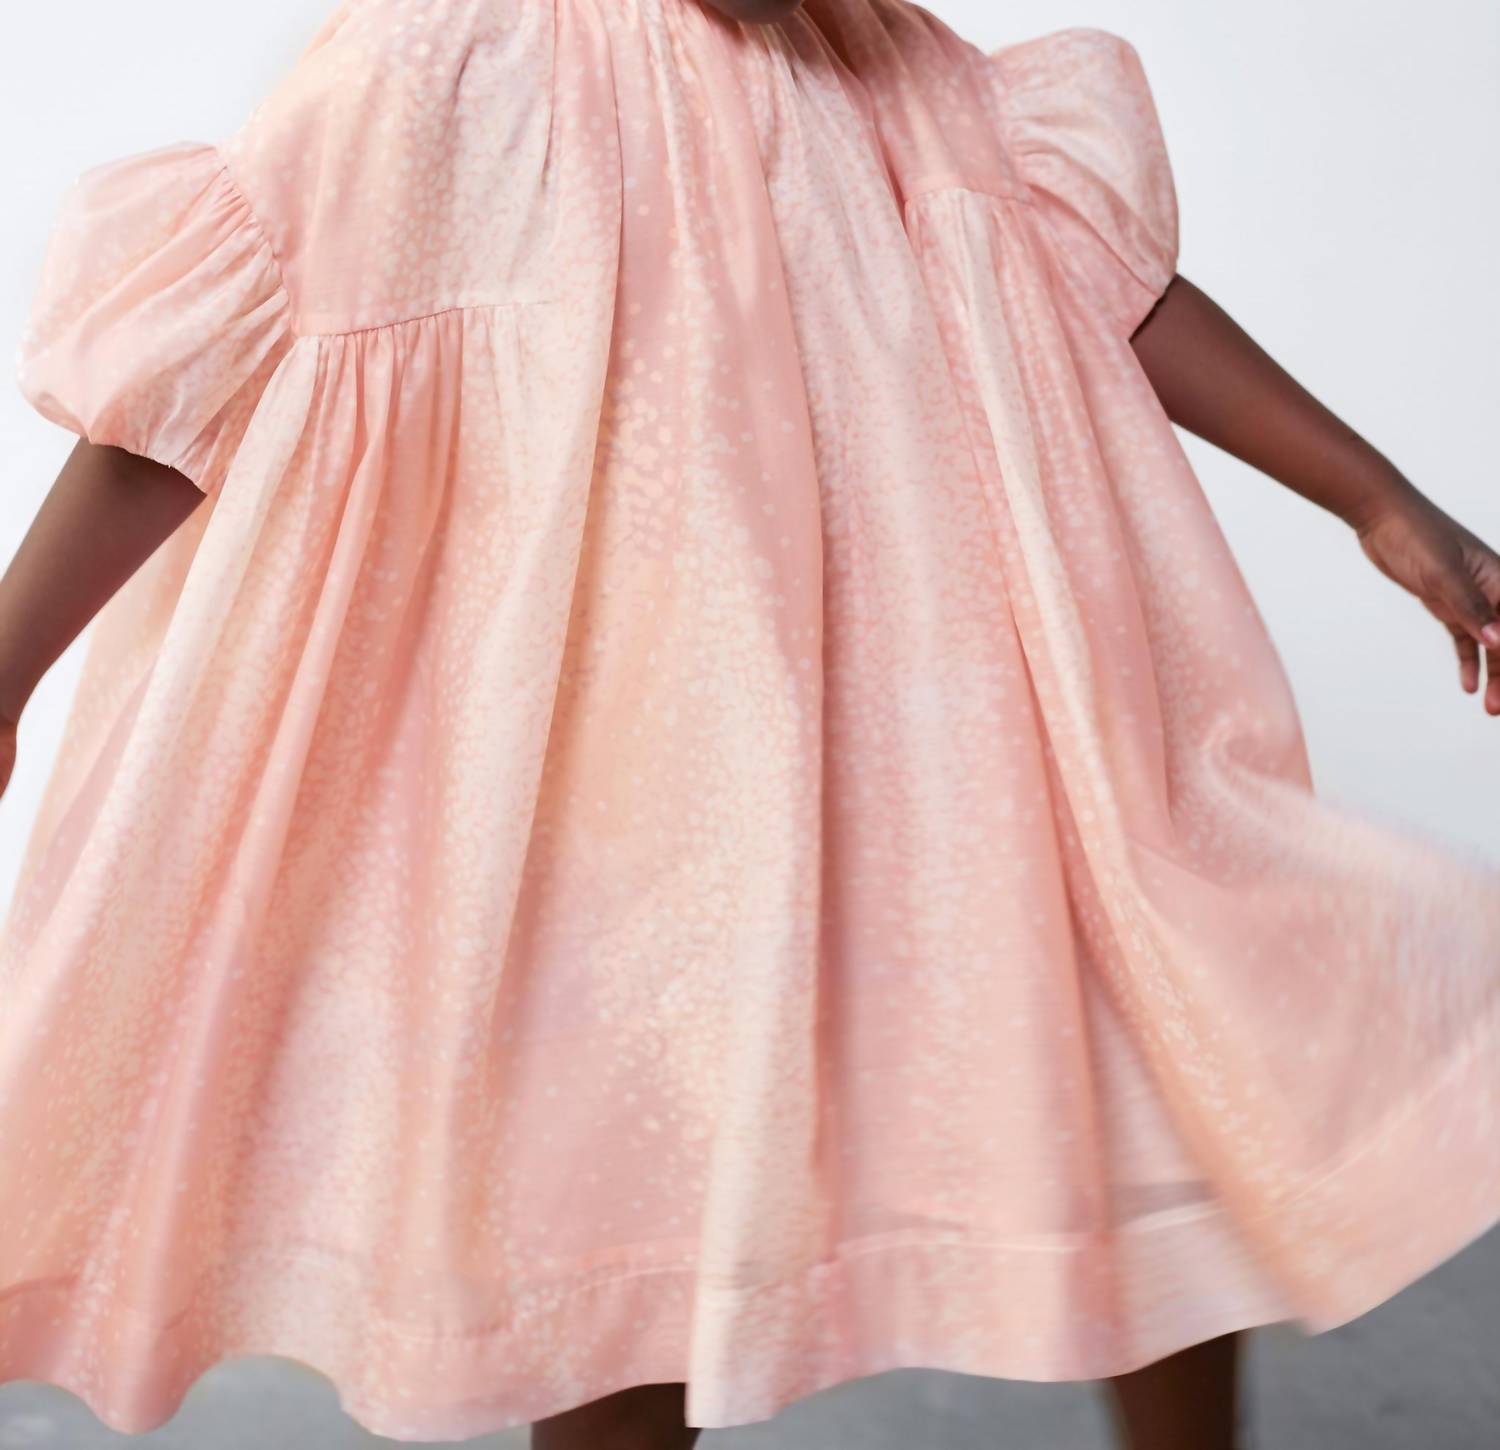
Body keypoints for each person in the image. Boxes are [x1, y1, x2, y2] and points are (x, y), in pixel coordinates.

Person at [0, 0, 1496, 1447]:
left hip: (942, 732)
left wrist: (1375, 500)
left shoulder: (893, 65)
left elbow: (1098, 279)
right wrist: (8, 667)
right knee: (605, 1215)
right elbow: (198, 380)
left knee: (1148, 1080)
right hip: (622, 773)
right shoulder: (438, 68)